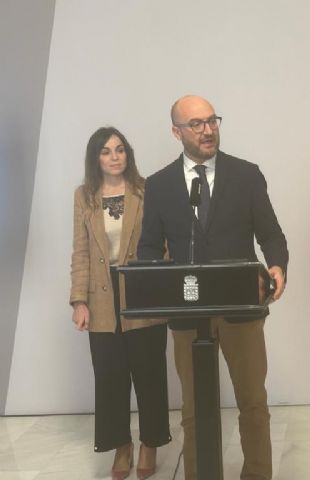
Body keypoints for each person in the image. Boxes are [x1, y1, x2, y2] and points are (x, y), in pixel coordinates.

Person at [137, 95, 288, 480]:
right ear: (176, 132)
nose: (207, 130)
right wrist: (155, 282)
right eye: (196, 124)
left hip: (241, 307)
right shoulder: (159, 185)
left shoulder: (246, 174)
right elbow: (149, 248)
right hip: (188, 312)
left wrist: (277, 266)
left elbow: (271, 234)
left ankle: (257, 475)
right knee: (194, 410)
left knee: (253, 403)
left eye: (212, 121)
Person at [70, 127, 171, 480]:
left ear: (128, 154)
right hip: (100, 296)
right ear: (95, 158)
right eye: (106, 151)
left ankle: (150, 443)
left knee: (150, 373)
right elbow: (81, 251)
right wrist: (79, 301)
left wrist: (162, 288)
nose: (114, 157)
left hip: (142, 292)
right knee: (109, 376)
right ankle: (121, 445)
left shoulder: (146, 190)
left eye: (120, 149)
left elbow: (164, 243)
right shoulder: (84, 196)